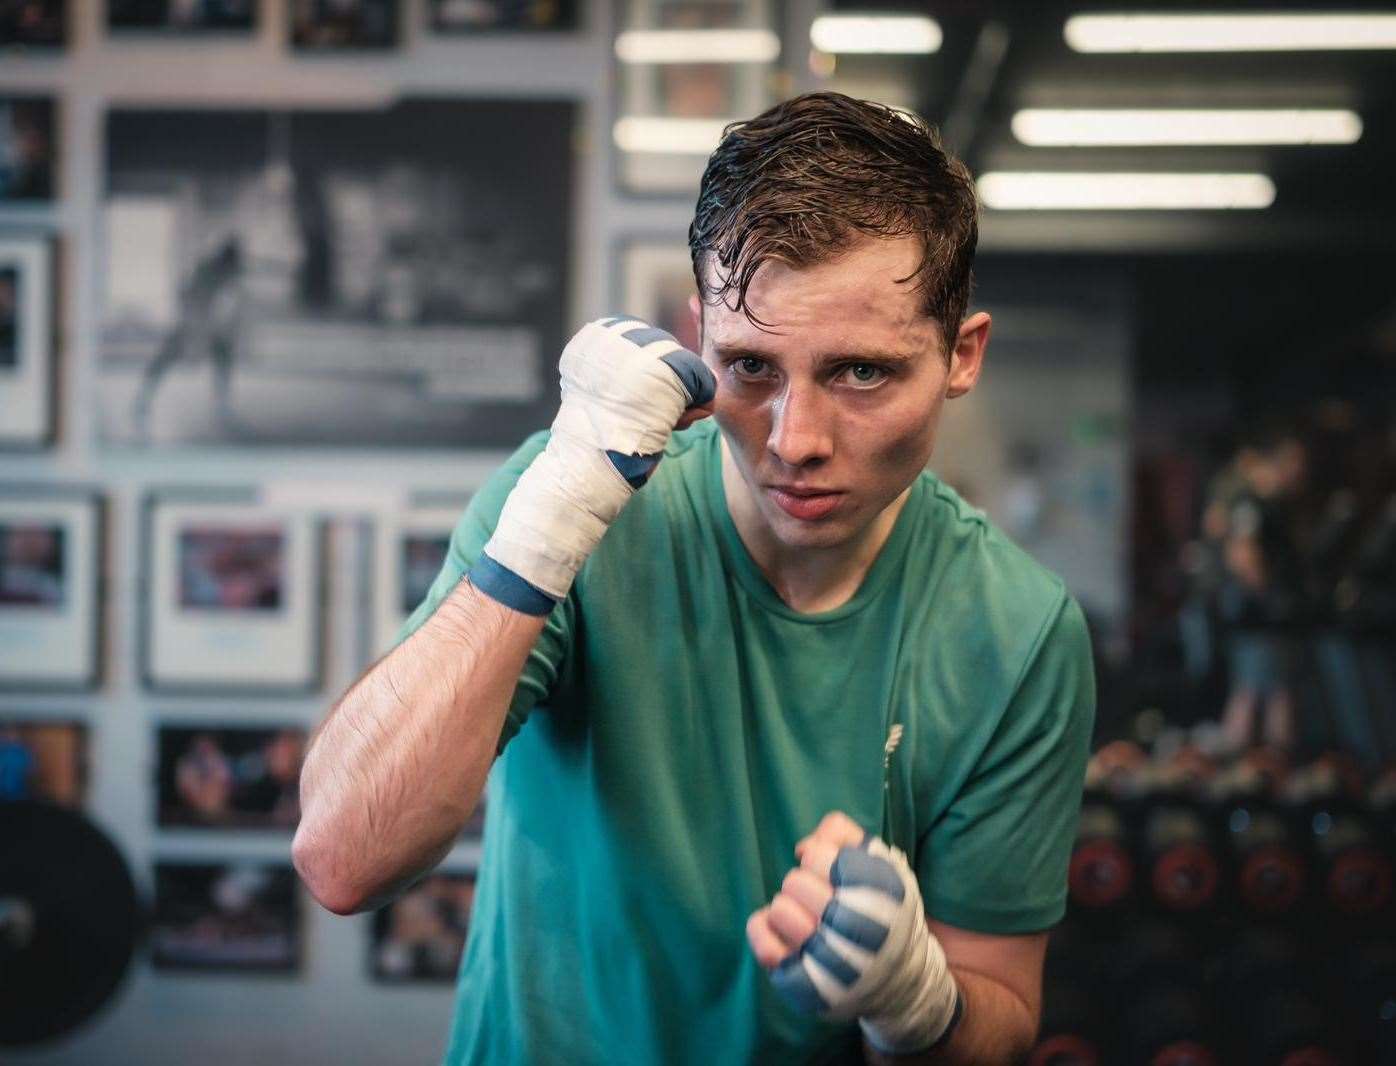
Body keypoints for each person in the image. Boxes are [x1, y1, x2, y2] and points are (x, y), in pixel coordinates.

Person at [294, 92, 1096, 1065]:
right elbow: (342, 858)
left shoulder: (1016, 631)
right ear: (698, 332)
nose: (794, 441)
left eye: (861, 373)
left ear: (960, 355)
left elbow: (1003, 1006)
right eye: (750, 367)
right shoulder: (568, 500)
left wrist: (917, 1002)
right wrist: (546, 530)